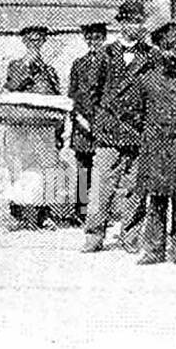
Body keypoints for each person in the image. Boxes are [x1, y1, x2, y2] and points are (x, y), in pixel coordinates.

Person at [128, 21, 176, 266]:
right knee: (157, 200)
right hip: (156, 148)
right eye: (169, 47)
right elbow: (134, 113)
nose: (174, 52)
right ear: (159, 49)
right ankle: (154, 250)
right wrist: (150, 134)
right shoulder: (145, 81)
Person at [83, 0, 156, 253]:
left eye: (139, 21)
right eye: (129, 21)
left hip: (138, 133)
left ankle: (131, 238)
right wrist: (98, 124)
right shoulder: (104, 54)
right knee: (101, 187)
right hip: (109, 134)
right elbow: (89, 94)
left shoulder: (151, 55)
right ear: (121, 24)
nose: (134, 26)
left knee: (134, 190)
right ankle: (93, 237)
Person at [1, 24, 64, 229]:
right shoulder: (16, 65)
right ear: (24, 42)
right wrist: (28, 63)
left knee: (45, 172)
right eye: (31, 41)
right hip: (20, 131)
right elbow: (12, 86)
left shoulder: (50, 71)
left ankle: (43, 215)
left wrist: (59, 132)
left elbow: (57, 102)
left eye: (39, 41)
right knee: (21, 172)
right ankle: (24, 217)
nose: (35, 45)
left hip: (44, 131)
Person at [67, 22, 108, 224]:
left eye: (98, 38)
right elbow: (72, 96)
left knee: (101, 171)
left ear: (104, 39)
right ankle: (81, 212)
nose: (94, 42)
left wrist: (100, 122)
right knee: (83, 170)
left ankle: (98, 214)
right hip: (82, 126)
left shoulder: (110, 64)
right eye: (90, 38)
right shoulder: (78, 64)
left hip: (104, 126)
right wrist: (81, 120)